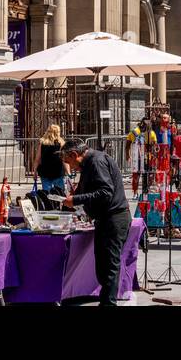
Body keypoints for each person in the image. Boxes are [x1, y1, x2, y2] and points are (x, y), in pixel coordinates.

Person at [60, 140, 132, 307]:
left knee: (109, 267)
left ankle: (108, 304)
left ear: (74, 155)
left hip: (114, 219)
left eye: (69, 162)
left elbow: (105, 192)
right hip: (106, 219)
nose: (71, 167)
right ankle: (106, 302)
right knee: (104, 267)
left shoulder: (96, 162)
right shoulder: (89, 164)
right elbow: (89, 190)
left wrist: (76, 199)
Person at [33, 123, 68, 197]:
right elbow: (64, 160)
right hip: (58, 171)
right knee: (60, 193)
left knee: (47, 193)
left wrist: (35, 171)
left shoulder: (43, 143)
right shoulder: (61, 144)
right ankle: (58, 205)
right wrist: (68, 172)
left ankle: (49, 205)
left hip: (45, 171)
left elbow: (37, 159)